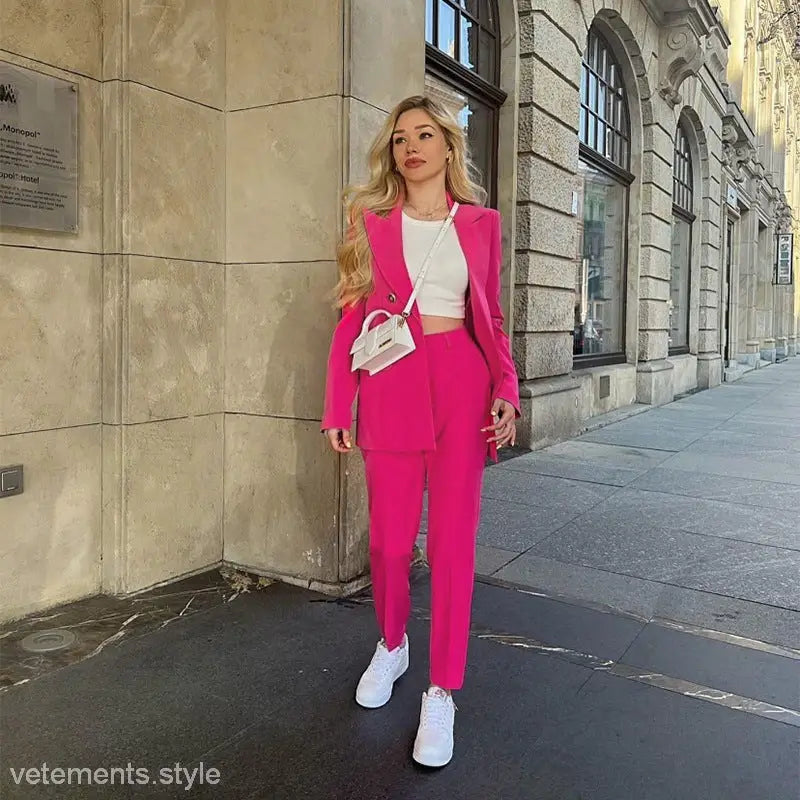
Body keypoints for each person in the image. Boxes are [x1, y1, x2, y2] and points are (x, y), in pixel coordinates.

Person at [321, 95, 520, 768]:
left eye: (425, 134)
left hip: (461, 386)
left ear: (448, 148)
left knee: (454, 548)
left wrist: (506, 389)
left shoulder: (482, 225)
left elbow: (489, 319)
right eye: (401, 137)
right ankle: (393, 642)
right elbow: (351, 321)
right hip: (392, 386)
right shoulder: (370, 223)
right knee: (387, 542)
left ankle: (442, 690)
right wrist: (336, 403)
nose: (411, 146)